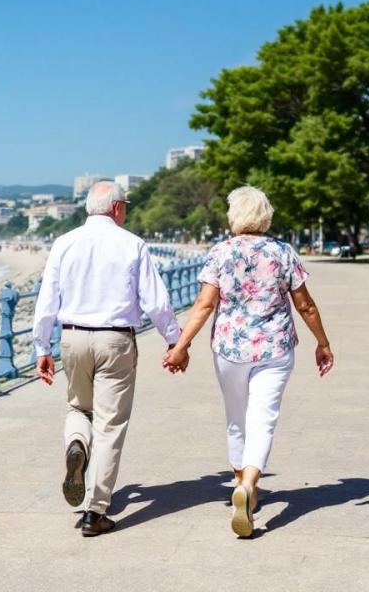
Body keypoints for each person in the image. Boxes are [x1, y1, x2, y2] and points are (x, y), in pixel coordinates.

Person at [163, 185, 334, 538]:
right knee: (263, 420)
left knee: (236, 419)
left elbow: (204, 305)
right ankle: (250, 484)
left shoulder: (220, 253)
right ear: (266, 217)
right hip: (274, 349)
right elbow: (305, 305)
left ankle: (241, 481)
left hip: (229, 349)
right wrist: (323, 342)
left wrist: (181, 346)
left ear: (233, 217)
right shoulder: (283, 252)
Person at [32, 181, 181, 538]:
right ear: (116, 208)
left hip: (73, 337)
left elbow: (47, 299)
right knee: (110, 424)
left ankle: (77, 446)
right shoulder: (132, 244)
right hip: (115, 339)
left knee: (78, 408)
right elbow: (155, 302)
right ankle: (95, 511)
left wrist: (42, 347)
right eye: (124, 205)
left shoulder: (64, 243)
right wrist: (175, 341)